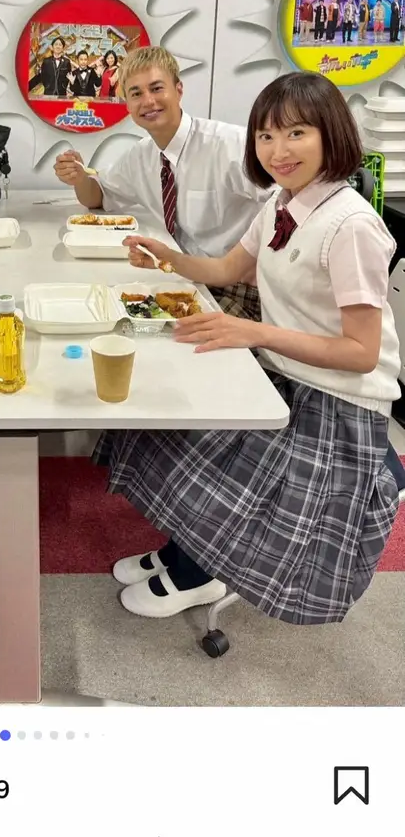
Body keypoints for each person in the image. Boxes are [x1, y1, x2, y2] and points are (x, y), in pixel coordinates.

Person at [98, 71, 401, 626]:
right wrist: (164, 258)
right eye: (266, 136)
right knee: (155, 423)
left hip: (338, 402)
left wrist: (255, 333)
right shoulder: (283, 205)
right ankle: (185, 552)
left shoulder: (352, 224)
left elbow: (361, 352)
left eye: (296, 133)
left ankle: (199, 571)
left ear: (330, 134)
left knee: (202, 448)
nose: (278, 151)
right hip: (287, 372)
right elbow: (227, 270)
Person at [54, 45, 271, 318]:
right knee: (101, 306)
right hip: (188, 277)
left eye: (156, 88)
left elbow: (287, 204)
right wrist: (79, 178)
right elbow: (97, 196)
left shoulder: (230, 145)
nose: (148, 101)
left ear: (178, 90)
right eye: (136, 93)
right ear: (127, 104)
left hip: (242, 289)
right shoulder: (142, 156)